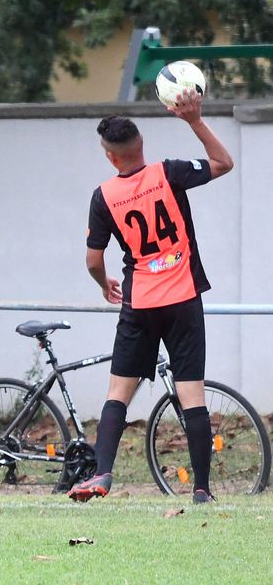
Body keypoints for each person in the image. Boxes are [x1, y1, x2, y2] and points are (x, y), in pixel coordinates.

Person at [69, 90, 233, 504]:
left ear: (110, 157)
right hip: (182, 297)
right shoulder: (170, 172)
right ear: (141, 145)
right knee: (190, 392)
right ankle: (200, 490)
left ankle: (102, 474)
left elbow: (92, 260)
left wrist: (103, 282)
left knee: (117, 394)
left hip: (139, 303)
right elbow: (223, 163)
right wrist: (194, 120)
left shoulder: (104, 196)